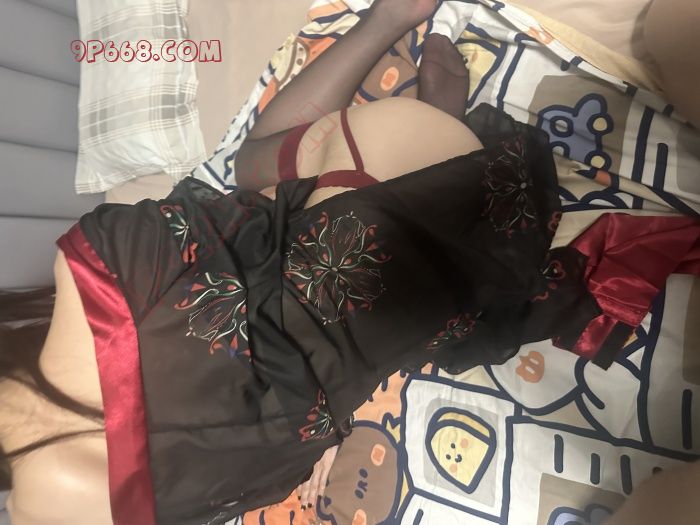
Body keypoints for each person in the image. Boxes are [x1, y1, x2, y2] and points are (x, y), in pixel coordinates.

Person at [0, 1, 693, 524]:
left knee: (279, 227)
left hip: (439, 305)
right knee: (249, 169)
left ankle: (428, 127)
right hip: (421, 177)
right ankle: (399, 26)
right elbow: (246, 212)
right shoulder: (91, 268)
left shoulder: (59, 511)